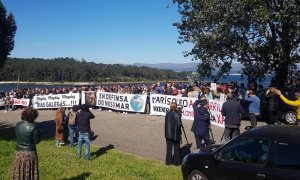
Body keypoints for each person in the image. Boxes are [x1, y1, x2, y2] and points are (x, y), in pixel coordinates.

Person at [13, 107, 41, 180]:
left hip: (18, 152)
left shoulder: (17, 125)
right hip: (30, 153)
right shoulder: (34, 127)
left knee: (19, 170)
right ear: (33, 116)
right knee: (30, 171)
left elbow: (17, 137)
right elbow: (36, 141)